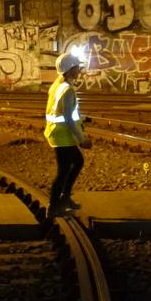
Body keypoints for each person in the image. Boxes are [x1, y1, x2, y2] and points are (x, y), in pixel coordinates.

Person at [44, 53, 91, 215]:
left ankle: (64, 198)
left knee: (76, 163)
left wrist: (84, 118)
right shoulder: (68, 90)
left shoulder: (58, 85)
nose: (79, 70)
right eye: (77, 67)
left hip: (57, 133)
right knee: (64, 170)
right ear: (70, 70)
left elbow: (60, 111)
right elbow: (68, 118)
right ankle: (53, 205)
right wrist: (82, 139)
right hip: (62, 136)